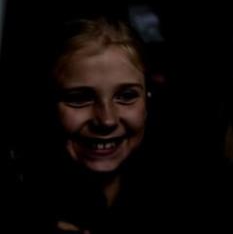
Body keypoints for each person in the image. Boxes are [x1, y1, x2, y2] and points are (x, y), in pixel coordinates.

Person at [9, 16, 194, 233]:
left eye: (126, 96)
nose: (106, 120)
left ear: (148, 98)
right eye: (79, 98)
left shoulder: (185, 196)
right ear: (46, 103)